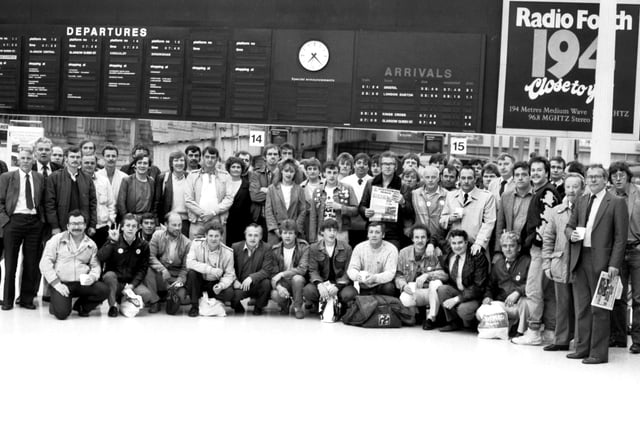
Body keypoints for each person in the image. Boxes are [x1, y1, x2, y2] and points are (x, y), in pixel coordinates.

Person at [565, 164, 628, 364]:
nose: (592, 180)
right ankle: (582, 348)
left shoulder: (616, 202)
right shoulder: (582, 200)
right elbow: (568, 226)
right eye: (590, 177)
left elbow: (620, 238)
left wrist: (614, 264)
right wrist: (571, 235)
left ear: (605, 180)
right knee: (582, 307)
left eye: (597, 177)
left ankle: (598, 353)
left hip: (604, 261)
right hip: (580, 257)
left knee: (600, 308)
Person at [512, 157, 560, 346]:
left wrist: (535, 244)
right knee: (546, 292)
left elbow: (546, 224)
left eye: (539, 170)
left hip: (541, 250)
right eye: (533, 170)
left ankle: (533, 331)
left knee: (534, 291)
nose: (535, 173)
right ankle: (548, 332)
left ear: (547, 173)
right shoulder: (540, 191)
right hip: (543, 250)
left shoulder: (547, 192)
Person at [39, 210, 109, 319]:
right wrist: (56, 284)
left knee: (104, 290)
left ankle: (81, 307)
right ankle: (56, 304)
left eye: (80, 223)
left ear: (85, 225)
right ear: (67, 226)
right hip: (62, 283)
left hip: (81, 283)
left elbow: (95, 266)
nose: (76, 227)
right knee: (62, 314)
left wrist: (92, 277)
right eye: (73, 224)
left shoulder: (91, 244)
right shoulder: (57, 240)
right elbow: (45, 263)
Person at [542, 172, 584, 351]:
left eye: (575, 187)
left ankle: (581, 341)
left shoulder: (587, 210)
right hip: (560, 263)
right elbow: (548, 238)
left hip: (580, 264)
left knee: (580, 305)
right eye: (568, 187)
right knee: (562, 304)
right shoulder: (556, 211)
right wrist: (546, 263)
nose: (571, 190)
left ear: (582, 188)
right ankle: (561, 340)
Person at [0, 149, 45, 310]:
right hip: (14, 221)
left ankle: (26, 299)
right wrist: (6, 222)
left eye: (28, 158)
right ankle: (7, 300)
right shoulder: (7, 177)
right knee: (10, 264)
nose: (26, 161)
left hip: (34, 222)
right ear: (18, 160)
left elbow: (43, 201)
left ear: (33, 160)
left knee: (31, 263)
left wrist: (41, 221)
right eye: (23, 158)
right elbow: (0, 202)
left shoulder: (39, 178)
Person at [609, 162, 640, 353]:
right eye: (614, 175)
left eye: (621, 174)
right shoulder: (609, 195)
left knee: (638, 297)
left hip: (637, 250)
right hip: (616, 252)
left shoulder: (638, 195)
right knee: (616, 296)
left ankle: (637, 340)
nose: (618, 178)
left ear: (628, 176)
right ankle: (618, 337)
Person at [98, 214, 152, 317]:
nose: (130, 229)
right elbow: (101, 257)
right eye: (128, 225)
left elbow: (142, 269)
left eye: (133, 226)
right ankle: (113, 306)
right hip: (115, 281)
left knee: (147, 295)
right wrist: (112, 241)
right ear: (122, 227)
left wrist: (132, 285)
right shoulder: (114, 240)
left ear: (138, 228)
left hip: (130, 282)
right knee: (109, 276)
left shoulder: (143, 245)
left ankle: (123, 299)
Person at [435, 229, 489, 332]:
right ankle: (453, 322)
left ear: (466, 243)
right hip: (458, 290)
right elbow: (436, 236)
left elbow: (478, 287)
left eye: (460, 243)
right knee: (442, 289)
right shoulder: (450, 252)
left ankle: (473, 323)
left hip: (475, 295)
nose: (457, 246)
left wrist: (456, 299)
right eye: (454, 243)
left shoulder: (477, 256)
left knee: (463, 310)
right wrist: (431, 245)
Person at [395, 224, 448, 328]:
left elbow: (445, 275)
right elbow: (399, 275)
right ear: (412, 239)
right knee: (404, 298)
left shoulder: (437, 252)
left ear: (428, 238)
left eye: (423, 237)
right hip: (415, 291)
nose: (420, 240)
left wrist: (427, 275)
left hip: (431, 292)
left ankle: (431, 318)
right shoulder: (403, 253)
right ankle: (415, 314)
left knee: (436, 283)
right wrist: (403, 286)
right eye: (417, 237)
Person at [359, 151, 414, 248]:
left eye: (391, 164)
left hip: (393, 233)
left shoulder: (403, 186)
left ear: (396, 167)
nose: (388, 166)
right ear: (380, 166)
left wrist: (403, 202)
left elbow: (410, 212)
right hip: (374, 230)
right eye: (385, 164)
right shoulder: (370, 183)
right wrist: (365, 211)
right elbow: (362, 206)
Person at [440, 165, 496, 254]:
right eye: (463, 178)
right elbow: (442, 220)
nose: (466, 181)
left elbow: (489, 224)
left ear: (475, 179)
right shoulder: (450, 196)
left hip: (475, 247)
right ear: (459, 179)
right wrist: (450, 219)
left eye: (469, 178)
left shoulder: (486, 197)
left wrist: (479, 244)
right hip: (454, 247)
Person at [484, 231, 531, 336]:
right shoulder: (498, 264)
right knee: (483, 310)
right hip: (504, 304)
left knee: (525, 302)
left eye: (512, 246)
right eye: (505, 246)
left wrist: (518, 292)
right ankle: (506, 328)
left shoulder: (527, 261)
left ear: (518, 248)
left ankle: (520, 332)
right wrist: (488, 296)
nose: (508, 249)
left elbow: (532, 284)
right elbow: (490, 286)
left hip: (520, 305)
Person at [186, 221, 236, 317]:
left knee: (229, 293)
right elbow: (190, 263)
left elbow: (229, 275)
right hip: (200, 281)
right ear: (206, 235)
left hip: (215, 283)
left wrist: (221, 285)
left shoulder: (228, 252)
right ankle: (194, 306)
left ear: (221, 237)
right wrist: (211, 270)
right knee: (192, 274)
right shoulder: (196, 244)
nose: (213, 239)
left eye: (216, 236)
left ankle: (214, 300)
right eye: (211, 235)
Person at [45, 146, 97, 236]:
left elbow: (93, 203)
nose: (75, 159)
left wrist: (92, 225)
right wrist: (54, 226)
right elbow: (50, 204)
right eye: (72, 157)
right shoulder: (54, 177)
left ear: (81, 159)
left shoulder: (87, 179)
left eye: (78, 157)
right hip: (61, 225)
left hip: (82, 225)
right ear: (66, 159)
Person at [304, 218, 353, 315]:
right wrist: (319, 285)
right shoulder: (314, 248)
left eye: (334, 230)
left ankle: (341, 306)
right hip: (323, 283)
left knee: (350, 294)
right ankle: (316, 304)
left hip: (340, 284)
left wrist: (338, 286)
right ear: (322, 232)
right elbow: (313, 270)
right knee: (308, 291)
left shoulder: (347, 248)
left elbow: (349, 270)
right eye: (329, 230)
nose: (332, 233)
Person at [147, 212, 192, 314]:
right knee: (148, 270)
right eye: (174, 225)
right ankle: (155, 301)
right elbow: (150, 256)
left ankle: (172, 295)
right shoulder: (157, 235)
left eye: (179, 225)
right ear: (166, 225)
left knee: (177, 302)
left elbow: (185, 268)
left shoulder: (187, 243)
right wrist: (162, 269)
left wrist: (179, 281)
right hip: (161, 274)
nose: (177, 228)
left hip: (176, 277)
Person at [184, 146, 233, 239]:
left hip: (217, 221)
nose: (210, 160)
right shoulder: (192, 176)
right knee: (196, 250)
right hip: (198, 221)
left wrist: (213, 212)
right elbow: (188, 200)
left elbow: (229, 198)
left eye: (213, 157)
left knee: (218, 251)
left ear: (217, 159)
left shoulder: (225, 176)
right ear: (202, 158)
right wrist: (203, 214)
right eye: (207, 157)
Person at [344, 222, 399, 304]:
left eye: (377, 232)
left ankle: (386, 310)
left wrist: (375, 278)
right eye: (371, 232)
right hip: (364, 285)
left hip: (381, 285)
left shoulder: (391, 249)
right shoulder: (359, 248)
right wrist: (356, 276)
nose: (374, 235)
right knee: (350, 296)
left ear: (383, 235)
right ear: (367, 235)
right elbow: (352, 269)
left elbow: (390, 273)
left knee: (389, 287)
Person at [309, 160, 358, 244]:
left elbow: (356, 211)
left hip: (340, 230)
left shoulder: (347, 188)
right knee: (322, 256)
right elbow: (313, 216)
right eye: (329, 172)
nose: (332, 176)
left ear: (338, 174)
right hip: (322, 231)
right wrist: (312, 239)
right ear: (324, 174)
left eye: (335, 173)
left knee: (341, 255)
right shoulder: (317, 190)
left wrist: (341, 207)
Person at [269, 219, 309, 319]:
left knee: (297, 279)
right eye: (285, 233)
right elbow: (273, 274)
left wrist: (282, 274)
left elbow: (302, 269)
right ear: (280, 234)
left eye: (290, 233)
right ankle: (284, 305)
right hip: (283, 283)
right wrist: (279, 287)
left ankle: (298, 307)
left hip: (298, 281)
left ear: (295, 234)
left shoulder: (304, 247)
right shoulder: (275, 250)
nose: (287, 236)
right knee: (274, 294)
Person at [231, 223, 273, 315]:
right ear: (245, 235)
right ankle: (237, 306)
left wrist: (251, 278)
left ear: (261, 236)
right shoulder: (235, 247)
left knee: (266, 283)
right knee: (231, 294)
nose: (252, 238)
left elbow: (267, 270)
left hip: (256, 283)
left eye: (256, 235)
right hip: (240, 284)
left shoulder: (267, 248)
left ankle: (258, 307)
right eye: (250, 235)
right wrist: (234, 280)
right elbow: (229, 268)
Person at [494, 161, 533, 253]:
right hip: (510, 247)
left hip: (530, 247)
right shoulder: (506, 196)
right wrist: (498, 251)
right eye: (517, 175)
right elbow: (500, 226)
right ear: (513, 178)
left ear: (530, 177)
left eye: (524, 174)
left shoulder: (537, 196)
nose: (520, 178)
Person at [265, 158, 306, 245]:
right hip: (276, 232)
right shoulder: (272, 189)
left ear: (295, 173)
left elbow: (303, 210)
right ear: (281, 172)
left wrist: (295, 229)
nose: (289, 174)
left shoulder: (299, 189)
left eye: (292, 171)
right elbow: (268, 211)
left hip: (293, 232)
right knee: (275, 256)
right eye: (286, 171)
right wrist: (276, 230)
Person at [82, 154, 115, 249]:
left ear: (96, 164)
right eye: (86, 163)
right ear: (81, 163)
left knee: (100, 257)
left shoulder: (104, 181)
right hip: (84, 228)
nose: (89, 165)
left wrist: (109, 224)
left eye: (92, 163)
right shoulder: (77, 180)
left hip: (102, 227)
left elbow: (111, 204)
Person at [412, 165, 448, 248]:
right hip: (420, 238)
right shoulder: (415, 194)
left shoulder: (447, 195)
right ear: (423, 178)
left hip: (440, 239)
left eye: (433, 177)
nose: (430, 180)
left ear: (439, 178)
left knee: (438, 260)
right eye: (427, 177)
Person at [250, 144, 280, 240]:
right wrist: (275, 193)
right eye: (270, 154)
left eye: (275, 154)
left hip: (278, 217)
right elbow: (254, 196)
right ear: (265, 157)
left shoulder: (284, 174)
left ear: (279, 157)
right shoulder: (256, 174)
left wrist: (266, 190)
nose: (272, 156)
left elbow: (284, 195)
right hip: (260, 217)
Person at [341, 153, 372, 245]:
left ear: (368, 167)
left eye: (365, 164)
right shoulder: (344, 181)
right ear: (354, 165)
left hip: (367, 225)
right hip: (348, 224)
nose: (361, 166)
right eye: (359, 163)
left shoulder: (375, 182)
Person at [156, 151, 190, 236]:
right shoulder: (163, 178)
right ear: (171, 163)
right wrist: (158, 223)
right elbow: (157, 202)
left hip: (186, 221)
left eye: (182, 160)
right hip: (169, 221)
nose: (179, 163)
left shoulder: (190, 178)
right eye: (176, 160)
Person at [117, 152, 158, 220]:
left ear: (149, 166)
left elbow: (154, 203)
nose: (142, 165)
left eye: (145, 163)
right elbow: (121, 204)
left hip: (146, 220)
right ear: (135, 165)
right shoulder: (127, 181)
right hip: (130, 219)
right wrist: (127, 219)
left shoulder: (151, 182)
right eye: (139, 163)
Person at [225, 156, 253, 246]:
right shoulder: (223, 183)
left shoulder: (247, 184)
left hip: (242, 223)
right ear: (229, 169)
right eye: (233, 167)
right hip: (226, 222)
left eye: (238, 167)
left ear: (242, 169)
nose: (236, 169)